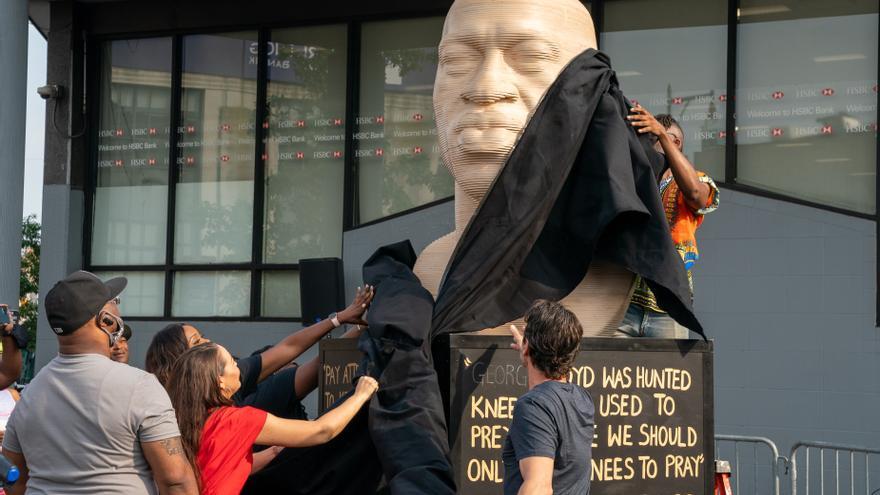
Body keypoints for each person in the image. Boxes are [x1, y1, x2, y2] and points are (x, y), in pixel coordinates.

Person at [1, 271, 197, 495]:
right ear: (105, 320)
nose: (118, 307)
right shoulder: (139, 386)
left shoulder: (30, 395)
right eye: (113, 302)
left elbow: (14, 479)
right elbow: (175, 480)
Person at [167, 342, 378, 495]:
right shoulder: (236, 420)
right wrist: (360, 395)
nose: (238, 368)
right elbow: (322, 431)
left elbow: (234, 464)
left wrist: (278, 448)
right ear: (219, 381)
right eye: (232, 362)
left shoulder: (188, 421)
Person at [145, 285, 373, 419]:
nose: (209, 342)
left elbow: (288, 347)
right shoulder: (238, 415)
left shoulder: (232, 388)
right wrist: (362, 394)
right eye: (198, 341)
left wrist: (340, 319)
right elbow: (320, 430)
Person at [619, 107, 720, 338]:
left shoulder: (698, 179)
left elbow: (696, 195)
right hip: (622, 304)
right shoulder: (632, 179)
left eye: (652, 137)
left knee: (669, 373)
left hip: (668, 308)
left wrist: (662, 136)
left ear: (675, 142)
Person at [503, 300, 594, 495]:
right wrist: (528, 349)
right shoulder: (582, 399)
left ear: (528, 347)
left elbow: (539, 486)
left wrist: (529, 350)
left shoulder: (534, 406)